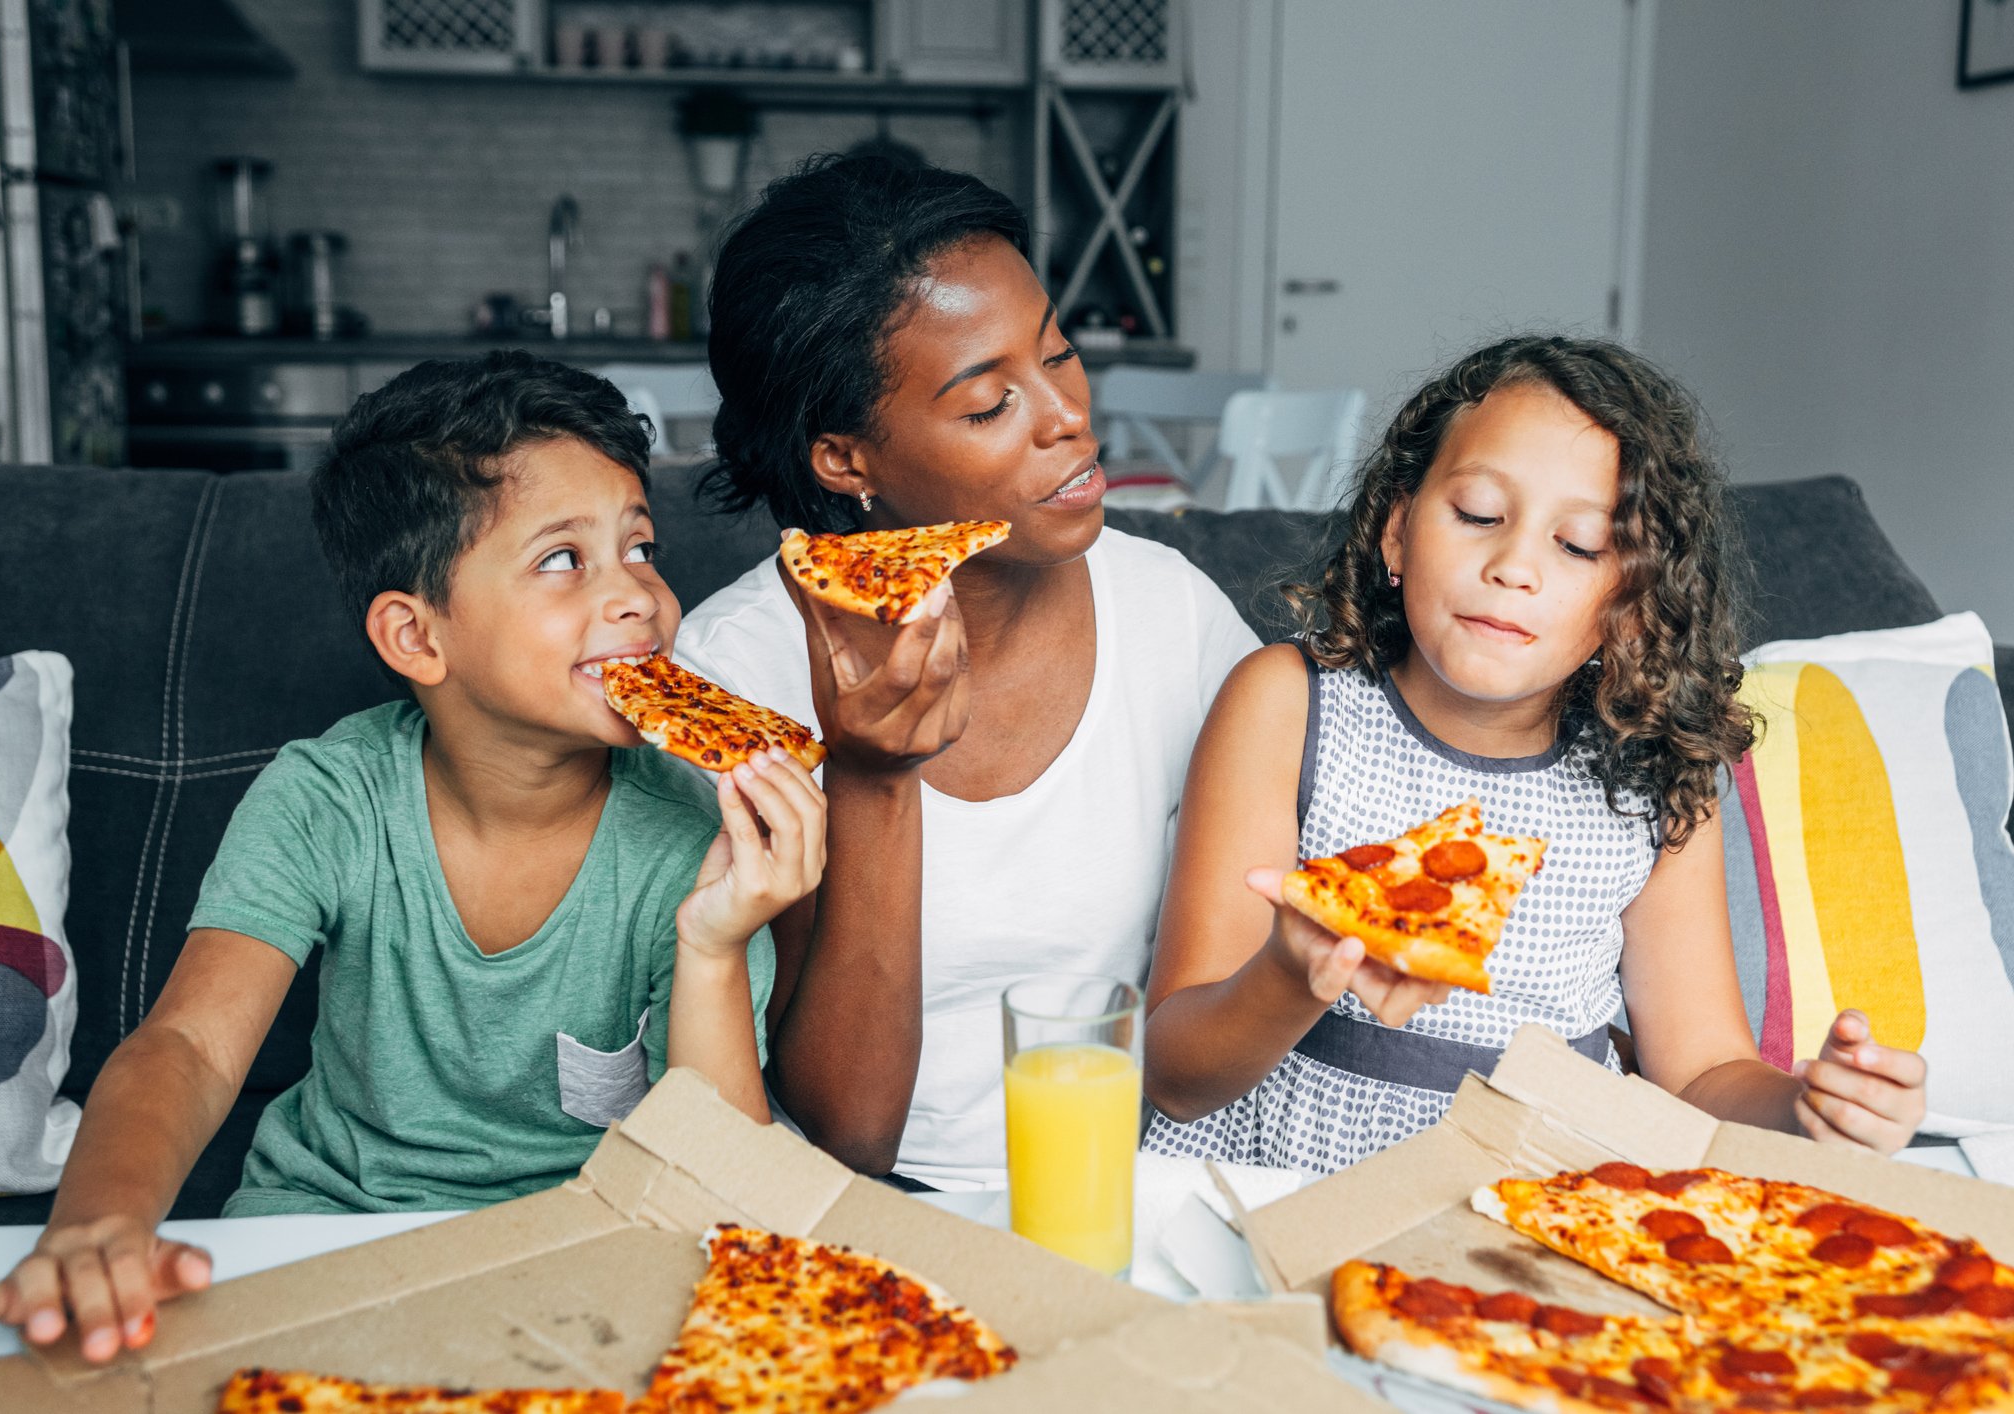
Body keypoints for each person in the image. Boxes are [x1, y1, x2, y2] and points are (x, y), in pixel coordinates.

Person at [0, 352, 825, 1362]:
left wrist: (716, 943)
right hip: (334, 1228)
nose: (638, 596)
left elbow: (712, 1179)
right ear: (416, 637)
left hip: (595, 1241)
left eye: (639, 546)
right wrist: (94, 1222)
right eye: (562, 558)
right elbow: (189, 1049)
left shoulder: (688, 827)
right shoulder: (328, 798)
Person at [1140, 335, 1926, 1173]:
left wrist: (1806, 1108)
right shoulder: (1289, 703)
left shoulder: (1653, 775)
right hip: (1280, 1174)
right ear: (1397, 532)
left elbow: (1698, 1072)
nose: (1514, 565)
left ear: (1633, 601)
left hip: (1542, 1190)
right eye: (1479, 515)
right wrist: (1296, 971)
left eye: (1579, 545)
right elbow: (1178, 1077)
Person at [675, 153, 1262, 1188]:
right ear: (844, 460)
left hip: (1139, 1187)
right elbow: (844, 1131)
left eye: (1059, 353)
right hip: (873, 1211)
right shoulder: (731, 677)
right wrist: (872, 777)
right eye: (989, 403)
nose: (1066, 416)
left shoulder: (1174, 613)